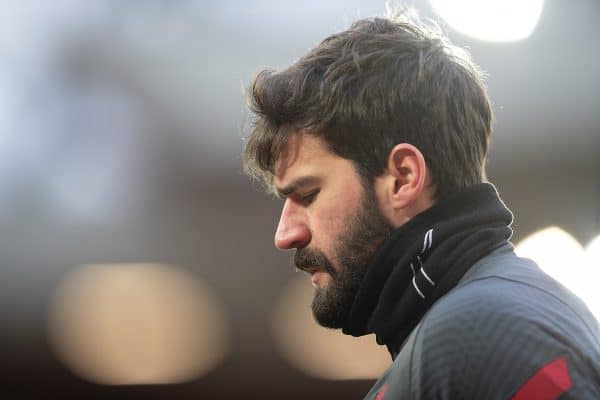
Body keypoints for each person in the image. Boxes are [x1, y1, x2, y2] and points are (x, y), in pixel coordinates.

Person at [242, 9, 600, 399]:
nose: (285, 234)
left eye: (307, 194)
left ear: (403, 178)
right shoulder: (483, 319)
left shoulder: (482, 332)